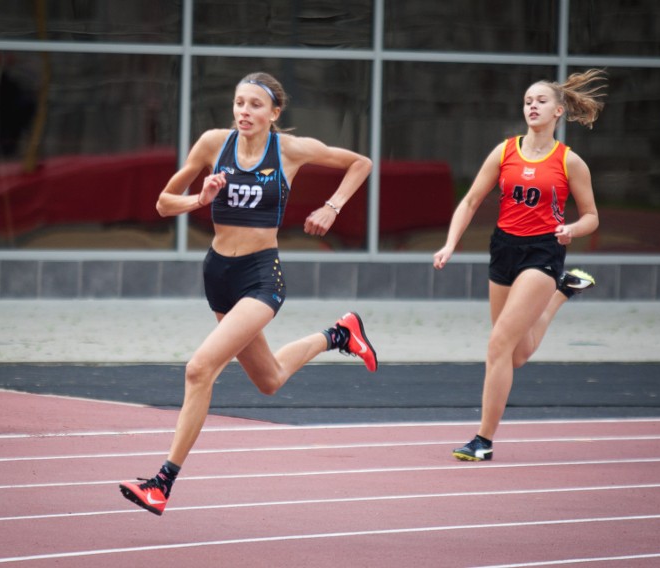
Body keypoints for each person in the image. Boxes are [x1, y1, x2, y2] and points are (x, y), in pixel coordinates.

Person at [119, 72, 378, 515]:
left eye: (256, 105)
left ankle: (162, 482)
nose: (244, 112)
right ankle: (340, 334)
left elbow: (361, 163)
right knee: (270, 380)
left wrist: (331, 207)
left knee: (200, 369)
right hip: (218, 274)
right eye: (239, 103)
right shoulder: (212, 144)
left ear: (275, 113)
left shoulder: (290, 150)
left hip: (261, 277)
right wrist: (200, 198)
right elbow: (164, 203)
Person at [433, 69, 607, 462]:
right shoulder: (504, 151)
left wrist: (572, 229)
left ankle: (483, 440)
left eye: (541, 101)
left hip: (543, 253)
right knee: (516, 353)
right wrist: (449, 244)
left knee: (497, 345)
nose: (532, 106)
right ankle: (563, 293)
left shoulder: (570, 162)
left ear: (558, 111)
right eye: (528, 101)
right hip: (504, 249)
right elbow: (471, 200)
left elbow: (593, 216)